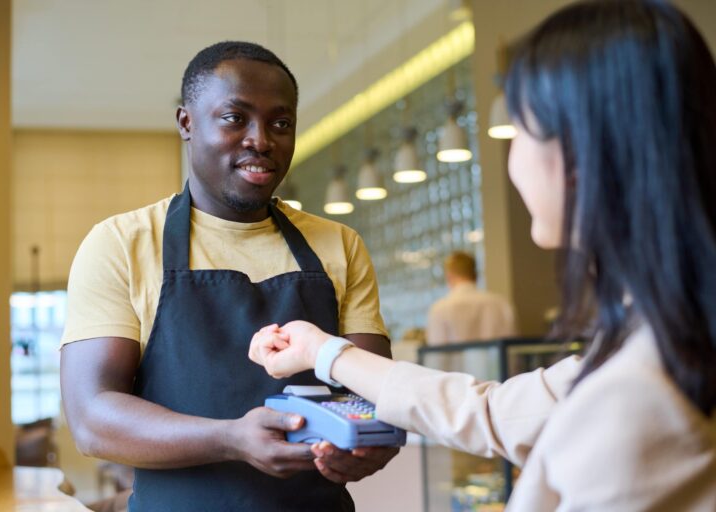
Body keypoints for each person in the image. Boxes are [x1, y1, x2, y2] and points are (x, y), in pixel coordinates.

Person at [249, 1, 716, 510]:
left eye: (520, 131)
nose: (512, 161)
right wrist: (322, 351)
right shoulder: (660, 343)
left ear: (581, 156)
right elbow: (492, 410)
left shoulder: (635, 395)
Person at [59, 41, 398, 512]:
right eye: (235, 118)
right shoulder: (121, 244)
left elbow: (377, 396)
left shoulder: (339, 245)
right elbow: (92, 418)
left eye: (280, 123)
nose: (261, 139)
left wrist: (370, 443)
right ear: (187, 123)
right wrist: (230, 438)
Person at [426, 251, 515, 345]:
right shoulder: (501, 304)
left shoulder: (439, 309)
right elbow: (513, 348)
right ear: (475, 275)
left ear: (449, 276)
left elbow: (437, 351)